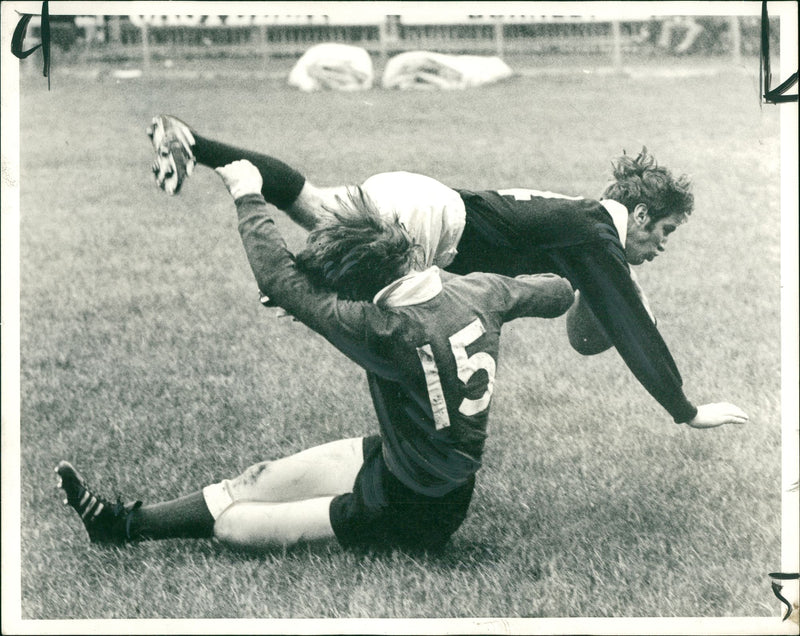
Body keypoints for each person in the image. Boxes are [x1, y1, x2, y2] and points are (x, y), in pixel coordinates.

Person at [57, 159, 576, 551]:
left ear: (359, 291)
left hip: (414, 510)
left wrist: (247, 195)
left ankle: (131, 526)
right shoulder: (479, 291)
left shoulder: (385, 330)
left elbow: (278, 278)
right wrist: (582, 281)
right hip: (408, 461)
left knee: (235, 526)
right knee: (257, 479)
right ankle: (119, 524)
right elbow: (553, 291)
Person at [146, 115, 749, 429]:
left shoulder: (586, 221)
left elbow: (587, 318)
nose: (662, 246)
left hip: (417, 196)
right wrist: (685, 407)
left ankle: (195, 141)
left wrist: (610, 289)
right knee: (390, 338)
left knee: (306, 201)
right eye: (665, 232)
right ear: (641, 214)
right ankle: (303, 278)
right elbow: (627, 325)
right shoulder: (596, 235)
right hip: (426, 227)